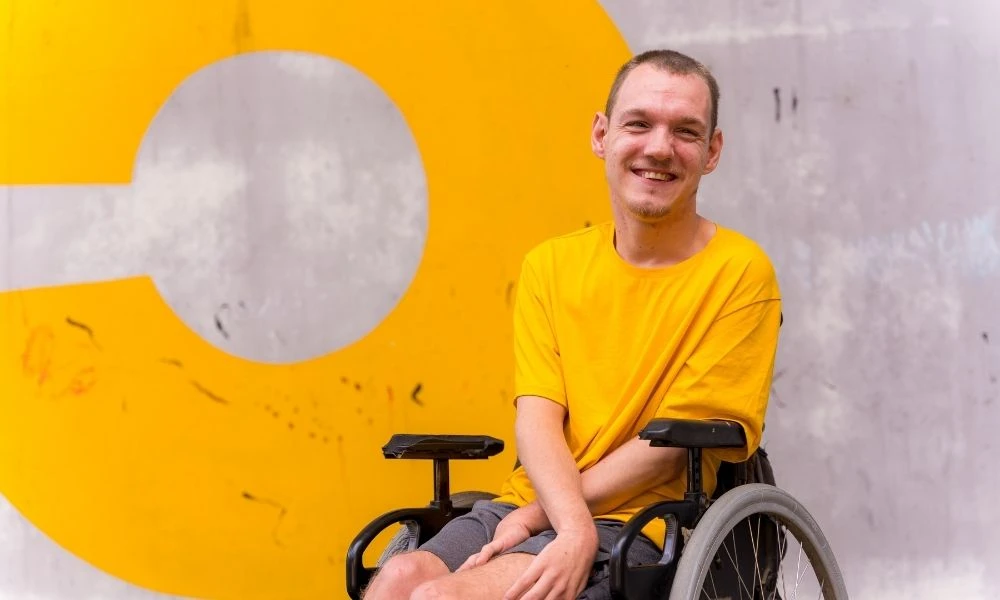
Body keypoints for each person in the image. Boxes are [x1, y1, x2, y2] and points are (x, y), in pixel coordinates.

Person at [363, 49, 782, 600]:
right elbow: (537, 418)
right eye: (639, 124)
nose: (660, 147)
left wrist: (554, 521)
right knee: (398, 579)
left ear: (712, 152)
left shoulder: (739, 273)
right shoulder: (551, 266)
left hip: (645, 520)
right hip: (530, 504)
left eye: (686, 131)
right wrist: (554, 518)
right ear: (601, 135)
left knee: (441, 598)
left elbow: (674, 444)